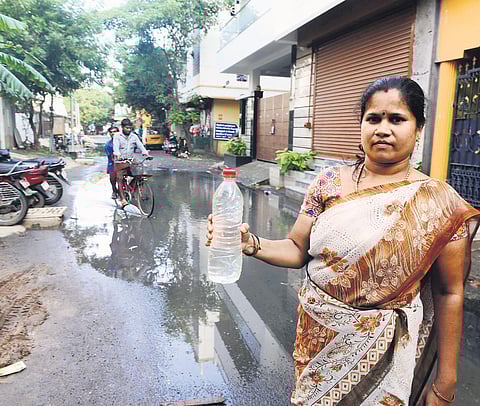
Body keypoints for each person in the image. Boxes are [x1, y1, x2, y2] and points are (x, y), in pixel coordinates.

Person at [206, 76, 480, 405]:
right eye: (373, 118)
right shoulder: (329, 181)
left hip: (388, 354)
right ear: (361, 124)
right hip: (318, 339)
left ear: (418, 128)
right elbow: (296, 249)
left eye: (397, 119)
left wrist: (445, 383)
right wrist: (251, 243)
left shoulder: (440, 202)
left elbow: (450, 292)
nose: (382, 129)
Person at [113, 118, 149, 207]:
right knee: (120, 178)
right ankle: (123, 199)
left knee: (139, 175)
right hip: (120, 162)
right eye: (127, 128)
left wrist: (145, 153)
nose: (128, 130)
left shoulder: (134, 136)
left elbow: (140, 145)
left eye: (130, 128)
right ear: (122, 127)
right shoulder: (117, 136)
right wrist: (117, 154)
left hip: (130, 161)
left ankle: (133, 188)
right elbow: (116, 147)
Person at [104, 126, 119, 199]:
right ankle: (114, 190)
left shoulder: (122, 141)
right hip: (113, 163)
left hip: (124, 161)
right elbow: (111, 157)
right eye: (111, 132)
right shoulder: (108, 145)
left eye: (115, 131)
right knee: (113, 177)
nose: (113, 133)